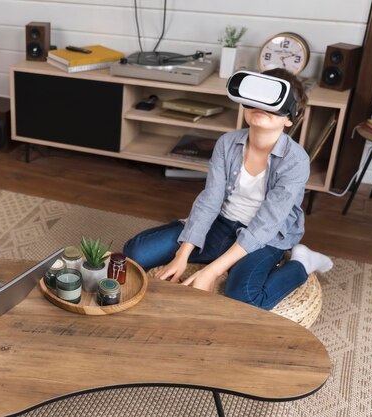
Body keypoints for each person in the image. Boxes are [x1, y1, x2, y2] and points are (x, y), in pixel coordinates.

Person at [123, 68, 333, 310]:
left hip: (267, 237)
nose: (261, 105)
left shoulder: (296, 161)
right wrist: (183, 254)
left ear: (290, 117)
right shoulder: (227, 143)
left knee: (244, 299)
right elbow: (210, 200)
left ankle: (302, 264)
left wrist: (211, 272)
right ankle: (216, 254)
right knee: (136, 252)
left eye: (271, 100)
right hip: (222, 223)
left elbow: (266, 224)